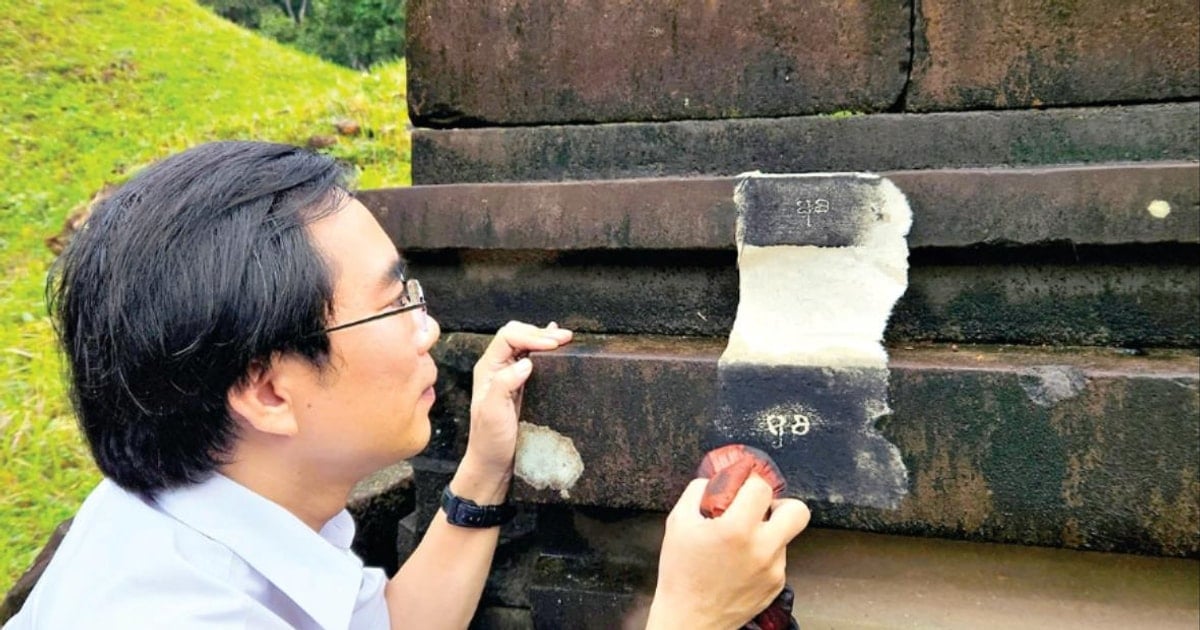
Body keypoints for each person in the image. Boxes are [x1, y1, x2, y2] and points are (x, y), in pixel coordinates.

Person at [6, 141, 810, 629]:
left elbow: (385, 625)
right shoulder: (166, 617)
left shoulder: (215, 509)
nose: (427, 330)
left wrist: (486, 466)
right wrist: (689, 618)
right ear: (270, 392)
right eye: (394, 304)